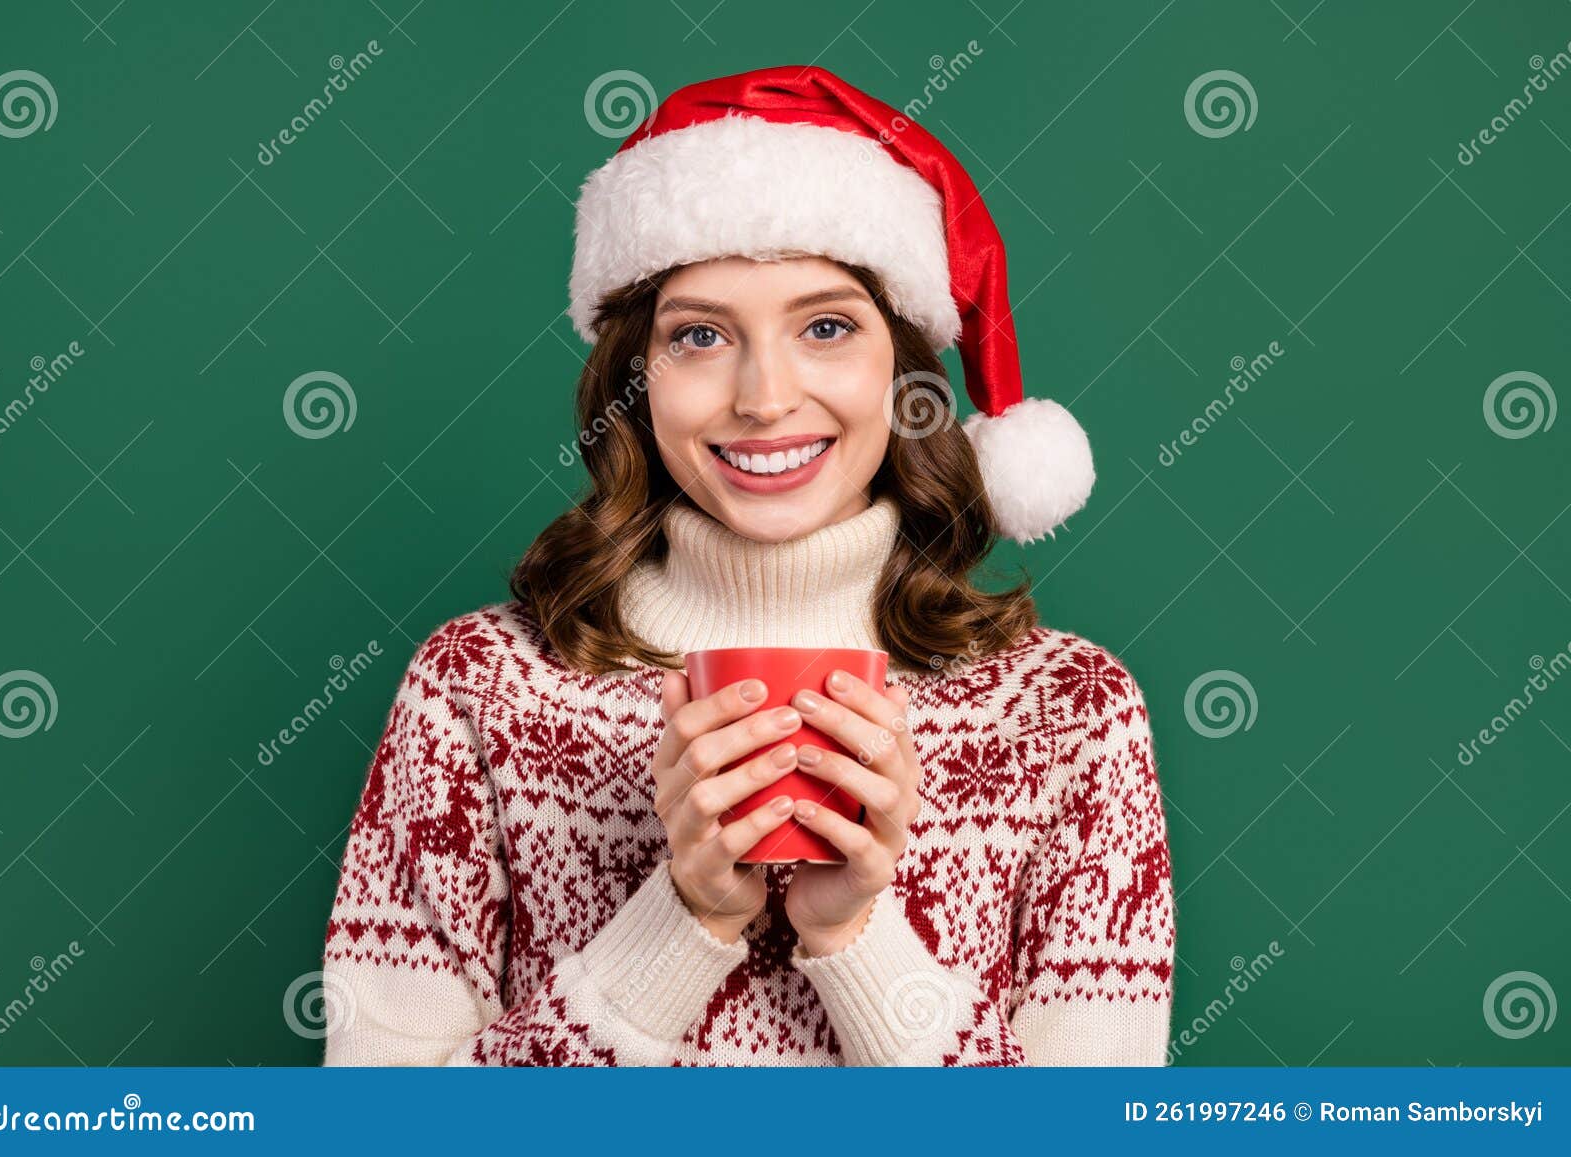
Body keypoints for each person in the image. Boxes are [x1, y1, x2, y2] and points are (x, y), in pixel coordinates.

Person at [320, 65, 1175, 1066]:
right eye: (698, 335)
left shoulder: (1067, 713)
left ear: (901, 370)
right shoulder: (480, 686)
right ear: (635, 383)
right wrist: (680, 917)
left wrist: (853, 934)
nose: (764, 396)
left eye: (825, 326)